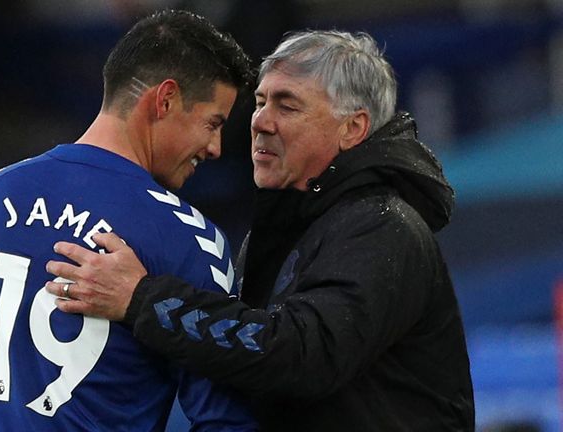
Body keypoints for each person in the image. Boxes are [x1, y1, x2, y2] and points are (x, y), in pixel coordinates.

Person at [45, 30, 475, 430]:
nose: (260, 122)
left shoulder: (380, 225)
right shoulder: (295, 226)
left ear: (353, 129)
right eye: (260, 102)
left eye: (287, 106)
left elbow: (303, 354)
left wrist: (140, 299)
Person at [0, 10, 258, 431]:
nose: (214, 147)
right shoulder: (188, 237)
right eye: (212, 124)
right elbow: (228, 422)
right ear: (166, 99)